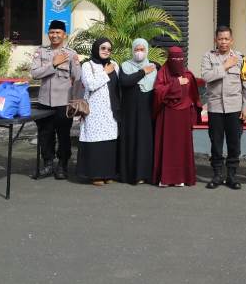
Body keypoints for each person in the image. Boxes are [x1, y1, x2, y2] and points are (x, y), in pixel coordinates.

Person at [200, 26, 246, 190]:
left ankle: (231, 176)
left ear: (232, 40)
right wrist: (225, 66)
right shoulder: (208, 57)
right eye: (220, 39)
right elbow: (206, 76)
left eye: (226, 39)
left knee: (234, 143)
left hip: (235, 108)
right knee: (216, 143)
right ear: (215, 40)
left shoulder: (241, 58)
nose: (223, 42)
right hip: (215, 107)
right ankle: (217, 175)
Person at [30, 19, 81, 180]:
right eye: (52, 32)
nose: (54, 35)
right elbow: (35, 73)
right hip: (44, 101)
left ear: (64, 35)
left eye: (58, 32)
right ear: (48, 34)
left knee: (64, 134)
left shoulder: (71, 54)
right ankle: (48, 164)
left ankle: (62, 165)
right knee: (45, 134)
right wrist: (53, 65)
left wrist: (76, 101)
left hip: (63, 102)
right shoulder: (41, 52)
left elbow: (78, 79)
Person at [153, 46, 200, 187]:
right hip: (166, 115)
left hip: (183, 116)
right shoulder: (162, 73)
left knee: (182, 147)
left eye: (180, 58)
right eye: (174, 58)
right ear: (169, 58)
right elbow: (158, 92)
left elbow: (193, 96)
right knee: (167, 146)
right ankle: (165, 178)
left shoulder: (188, 75)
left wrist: (192, 113)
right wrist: (176, 83)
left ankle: (181, 177)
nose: (177, 61)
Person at [77, 38, 120, 186]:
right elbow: (90, 84)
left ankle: (108, 173)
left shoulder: (115, 64)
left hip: (111, 110)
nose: (106, 51)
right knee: (95, 142)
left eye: (109, 49)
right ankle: (95, 175)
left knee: (109, 142)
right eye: (103, 48)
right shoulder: (87, 65)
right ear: (96, 48)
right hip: (94, 111)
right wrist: (105, 73)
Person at [118, 38, 157, 185]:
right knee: (130, 140)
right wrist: (142, 72)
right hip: (129, 112)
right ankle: (129, 174)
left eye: (142, 49)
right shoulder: (125, 66)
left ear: (146, 50)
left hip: (147, 111)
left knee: (144, 141)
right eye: (136, 49)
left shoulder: (154, 67)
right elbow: (125, 82)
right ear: (132, 50)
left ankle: (144, 174)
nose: (139, 52)